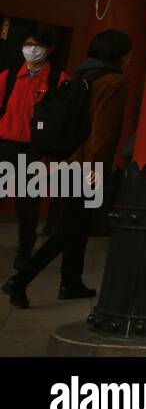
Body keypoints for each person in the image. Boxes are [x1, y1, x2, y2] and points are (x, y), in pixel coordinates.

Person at [3, 29, 130, 308]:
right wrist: (96, 170)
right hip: (86, 166)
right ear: (122, 55)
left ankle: (71, 282)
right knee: (67, 230)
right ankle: (19, 281)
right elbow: (103, 132)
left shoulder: (82, 76)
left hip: (64, 160)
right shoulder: (113, 82)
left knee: (79, 225)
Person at [0, 25, 67, 270]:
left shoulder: (59, 80)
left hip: (34, 151)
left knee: (27, 205)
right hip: (4, 145)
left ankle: (24, 250)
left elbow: (63, 119)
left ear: (50, 50)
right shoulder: (7, 77)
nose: (32, 50)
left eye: (38, 46)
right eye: (28, 45)